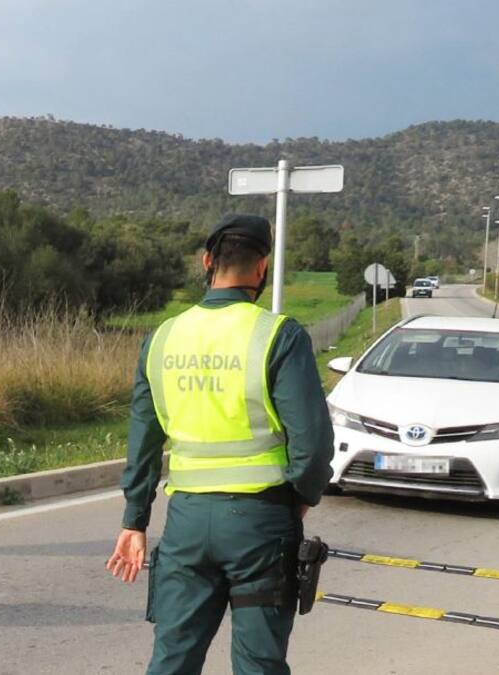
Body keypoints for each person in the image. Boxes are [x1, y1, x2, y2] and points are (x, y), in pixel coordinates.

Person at [106, 213, 334, 675]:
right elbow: (312, 444)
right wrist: (299, 501)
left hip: (187, 524)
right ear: (262, 268)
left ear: (207, 262)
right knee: (258, 664)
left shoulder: (162, 338)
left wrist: (134, 520)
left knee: (172, 659)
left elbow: (143, 442)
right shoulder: (278, 335)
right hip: (260, 522)